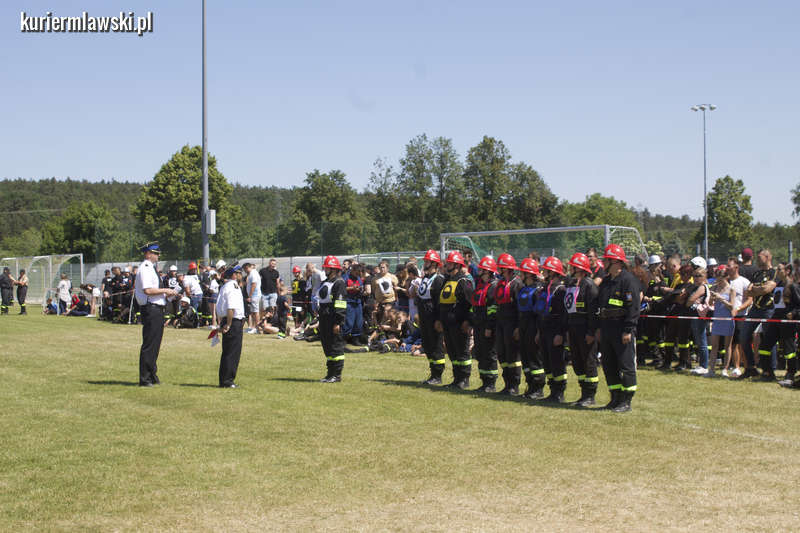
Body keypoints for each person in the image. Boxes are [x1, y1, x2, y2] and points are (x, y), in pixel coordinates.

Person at [596, 244, 640, 413]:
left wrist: (628, 329)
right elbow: (600, 305)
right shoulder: (607, 281)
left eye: (607, 260)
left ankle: (626, 400)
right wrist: (599, 328)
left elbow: (633, 307)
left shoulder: (628, 281)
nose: (604, 263)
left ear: (616, 262)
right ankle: (615, 397)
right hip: (607, 327)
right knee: (609, 364)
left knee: (626, 364)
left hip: (621, 328)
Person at [134, 242, 178, 387]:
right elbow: (148, 290)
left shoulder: (151, 268)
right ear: (148, 254)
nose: (158, 256)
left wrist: (167, 294)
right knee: (150, 344)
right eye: (155, 253)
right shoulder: (146, 268)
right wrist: (166, 290)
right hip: (150, 308)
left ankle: (152, 374)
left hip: (157, 308)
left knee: (155, 344)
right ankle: (145, 378)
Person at [435, 251, 474, 389]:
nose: (447, 265)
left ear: (457, 265)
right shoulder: (447, 280)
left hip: (459, 324)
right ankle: (457, 379)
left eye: (450, 263)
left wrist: (467, 321)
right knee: (452, 352)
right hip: (447, 323)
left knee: (462, 352)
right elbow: (441, 302)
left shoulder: (463, 281)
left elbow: (470, 304)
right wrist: (440, 319)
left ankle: (464, 379)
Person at [565, 252, 600, 406]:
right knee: (577, 361)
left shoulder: (589, 285)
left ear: (579, 268)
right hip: (573, 327)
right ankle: (583, 393)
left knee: (588, 361)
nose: (570, 269)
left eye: (573, 266)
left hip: (585, 328)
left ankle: (590, 395)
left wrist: (591, 332)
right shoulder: (572, 284)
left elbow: (593, 312)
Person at [739, 249, 777, 380]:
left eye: (760, 257)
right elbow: (747, 291)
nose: (757, 259)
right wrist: (760, 289)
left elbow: (768, 289)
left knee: (769, 339)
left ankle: (769, 370)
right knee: (743, 336)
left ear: (767, 257)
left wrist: (757, 289)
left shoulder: (774, 273)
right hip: (755, 309)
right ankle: (750, 368)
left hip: (769, 309)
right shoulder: (756, 273)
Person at [536, 256, 569, 402]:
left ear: (553, 272)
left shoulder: (561, 290)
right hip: (544, 328)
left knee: (557, 362)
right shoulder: (546, 289)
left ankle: (559, 392)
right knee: (547, 361)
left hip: (555, 329)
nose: (543, 272)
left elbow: (563, 315)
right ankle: (552, 390)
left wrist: (560, 334)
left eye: (546, 270)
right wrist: (539, 331)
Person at [492, 253, 523, 395]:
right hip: (501, 321)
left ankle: (514, 385)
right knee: (502, 353)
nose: (499, 269)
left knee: (512, 355)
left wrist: (518, 327)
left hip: (512, 322)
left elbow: (519, 307)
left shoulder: (517, 284)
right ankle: (507, 383)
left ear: (507, 268)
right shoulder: (501, 283)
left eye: (501, 267)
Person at [416, 250, 446, 385]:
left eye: (427, 261)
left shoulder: (438, 279)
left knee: (436, 346)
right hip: (424, 317)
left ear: (434, 263)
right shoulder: (426, 278)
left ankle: (437, 375)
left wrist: (439, 319)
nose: (425, 263)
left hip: (433, 318)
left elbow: (439, 302)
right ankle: (433, 373)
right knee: (427, 345)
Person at [470, 256, 499, 392]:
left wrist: (489, 327)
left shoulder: (493, 286)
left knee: (489, 354)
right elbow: (474, 305)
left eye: (481, 269)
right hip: (478, 324)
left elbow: (492, 309)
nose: (479, 271)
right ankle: (484, 381)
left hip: (487, 326)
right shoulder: (480, 285)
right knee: (480, 353)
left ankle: (491, 383)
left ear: (487, 271)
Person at [517, 257, 545, 398]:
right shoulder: (523, 289)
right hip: (523, 324)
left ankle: (538, 388)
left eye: (522, 272)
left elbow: (539, 313)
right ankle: (530, 386)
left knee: (534, 357)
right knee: (525, 357)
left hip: (533, 324)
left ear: (528, 274)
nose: (520, 274)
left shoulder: (538, 290)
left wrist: (538, 332)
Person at [317, 255, 348, 383]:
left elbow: (340, 304)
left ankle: (337, 375)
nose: (325, 270)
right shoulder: (325, 282)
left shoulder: (339, 283)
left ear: (334, 269)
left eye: (327, 268)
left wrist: (338, 322)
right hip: (324, 317)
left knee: (336, 346)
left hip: (333, 317)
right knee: (327, 346)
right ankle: (330, 374)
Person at [216, 264, 245, 388]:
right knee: (232, 352)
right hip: (233, 321)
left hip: (230, 320)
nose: (240, 275)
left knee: (229, 351)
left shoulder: (226, 286)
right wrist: (228, 324)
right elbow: (231, 307)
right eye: (239, 273)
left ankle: (225, 379)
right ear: (234, 275)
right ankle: (227, 380)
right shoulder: (233, 286)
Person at [708, 265, 736, 377]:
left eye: (720, 278)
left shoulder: (731, 289)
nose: (718, 281)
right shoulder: (714, 287)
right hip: (717, 319)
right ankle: (711, 369)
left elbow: (732, 306)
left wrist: (721, 299)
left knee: (727, 346)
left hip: (727, 319)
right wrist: (712, 298)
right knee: (714, 345)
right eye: (717, 278)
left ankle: (725, 369)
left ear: (726, 277)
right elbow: (710, 304)